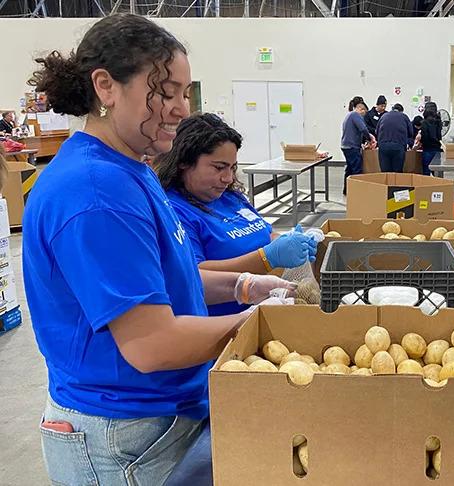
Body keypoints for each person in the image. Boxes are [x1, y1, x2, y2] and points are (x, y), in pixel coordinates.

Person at [22, 14, 294, 485]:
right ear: (105, 86)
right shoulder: (95, 191)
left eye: (186, 92)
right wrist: (257, 323)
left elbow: (167, 280)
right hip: (124, 436)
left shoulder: (133, 169)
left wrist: (245, 285)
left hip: (164, 419)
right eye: (165, 92)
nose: (180, 108)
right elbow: (151, 343)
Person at [155, 113, 317, 316]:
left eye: (233, 168)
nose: (228, 178)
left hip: (270, 309)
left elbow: (266, 233)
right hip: (228, 325)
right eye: (219, 167)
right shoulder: (174, 211)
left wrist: (288, 241)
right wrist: (266, 258)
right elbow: (193, 276)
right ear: (184, 162)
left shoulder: (230, 197)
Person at [341, 98, 375, 195]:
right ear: (361, 109)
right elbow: (363, 128)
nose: (364, 116)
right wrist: (369, 138)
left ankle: (347, 190)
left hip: (346, 146)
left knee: (350, 169)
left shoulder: (349, 115)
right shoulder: (355, 115)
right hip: (352, 147)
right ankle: (356, 192)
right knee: (357, 169)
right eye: (364, 112)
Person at [376, 103, 413, 172]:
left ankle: (385, 182)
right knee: (397, 173)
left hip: (383, 146)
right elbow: (411, 133)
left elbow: (377, 131)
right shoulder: (404, 116)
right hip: (398, 146)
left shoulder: (384, 116)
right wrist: (409, 143)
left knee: (385, 173)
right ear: (401, 111)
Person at [419, 106, 443, 175]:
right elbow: (439, 136)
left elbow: (424, 137)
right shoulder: (438, 122)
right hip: (437, 150)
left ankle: (427, 185)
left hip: (427, 149)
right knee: (437, 171)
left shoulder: (424, 123)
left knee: (426, 170)